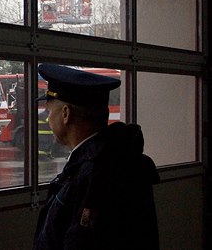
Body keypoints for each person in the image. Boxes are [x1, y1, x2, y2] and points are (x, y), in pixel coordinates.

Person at [33, 64, 159, 250]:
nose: (47, 119)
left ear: (66, 114)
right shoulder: (117, 158)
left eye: (50, 111)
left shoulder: (96, 173)